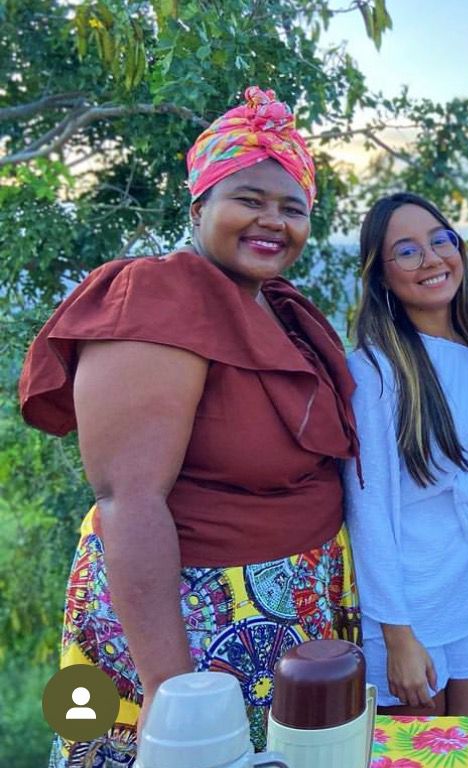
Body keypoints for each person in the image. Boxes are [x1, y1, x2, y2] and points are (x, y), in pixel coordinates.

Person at [19, 86, 361, 765]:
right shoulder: (156, 296)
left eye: (292, 208)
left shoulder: (279, 308)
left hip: (293, 611)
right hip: (192, 621)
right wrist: (168, 687)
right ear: (199, 206)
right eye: (249, 200)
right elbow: (129, 498)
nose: (273, 221)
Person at [342, 193, 468, 718]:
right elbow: (369, 512)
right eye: (407, 251)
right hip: (410, 613)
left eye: (441, 240)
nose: (432, 258)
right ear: (381, 275)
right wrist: (398, 636)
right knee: (424, 754)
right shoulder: (375, 371)